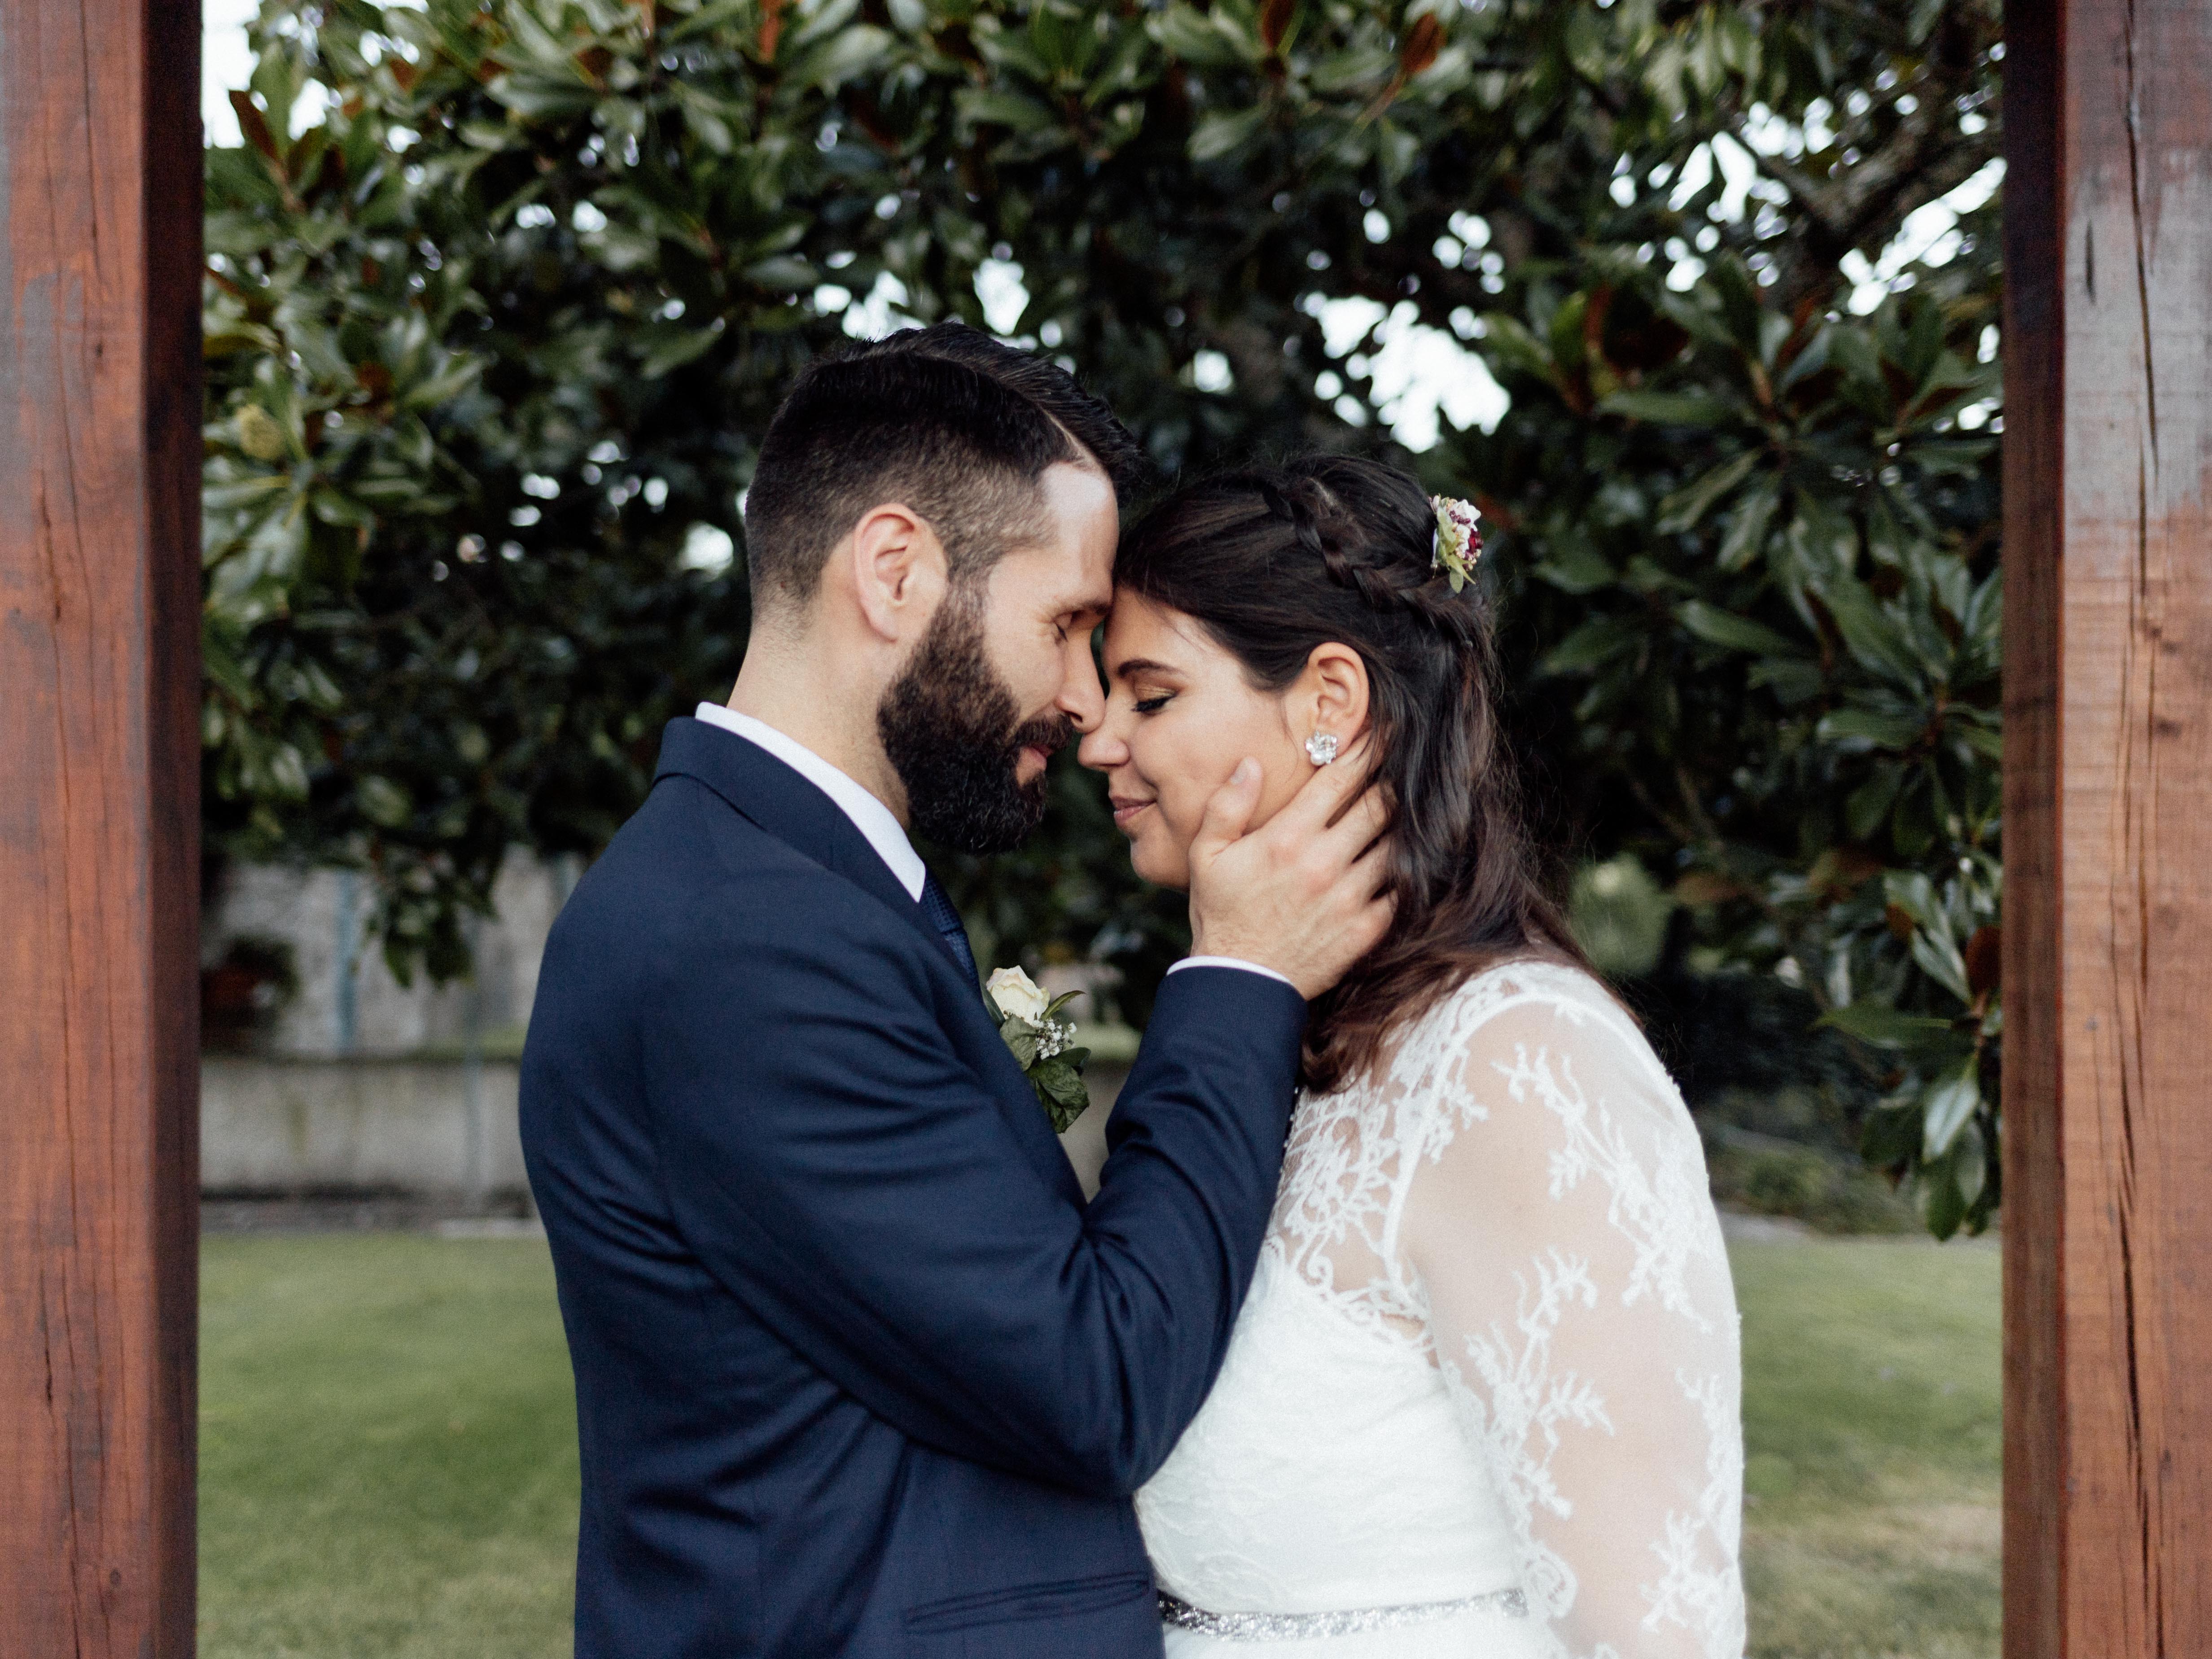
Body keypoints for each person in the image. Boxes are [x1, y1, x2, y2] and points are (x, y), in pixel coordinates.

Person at [518, 327, 1393, 1659]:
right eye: (1066, 626)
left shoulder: (807, 895)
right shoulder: (739, 942)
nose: (1085, 700)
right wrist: (1238, 974)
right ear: (894, 572)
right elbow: (1095, 1379)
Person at [1079, 455, 1746, 1658]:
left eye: (1151, 694)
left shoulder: (1516, 1063)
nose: (1099, 742)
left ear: (1329, 698)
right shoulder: (1273, 1043)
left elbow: (1655, 1630)